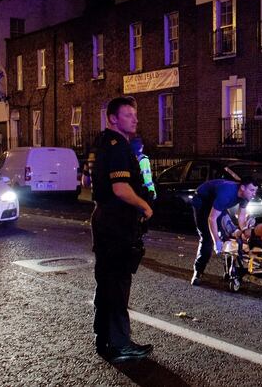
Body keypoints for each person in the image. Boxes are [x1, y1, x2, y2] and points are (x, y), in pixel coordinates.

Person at [89, 96, 154, 363]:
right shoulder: (117, 147)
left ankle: (104, 338)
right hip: (116, 225)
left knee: (106, 282)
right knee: (117, 284)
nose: (135, 119)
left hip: (106, 222)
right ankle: (119, 344)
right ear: (113, 118)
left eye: (135, 115)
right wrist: (145, 208)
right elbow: (120, 189)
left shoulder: (105, 144)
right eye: (128, 115)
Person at [190, 177, 259, 286]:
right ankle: (198, 272)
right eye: (251, 190)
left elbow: (241, 217)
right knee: (207, 238)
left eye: (255, 190)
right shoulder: (227, 194)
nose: (254, 193)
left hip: (215, 200)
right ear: (242, 188)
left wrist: (245, 229)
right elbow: (211, 219)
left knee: (228, 230)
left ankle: (228, 269)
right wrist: (216, 240)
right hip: (202, 201)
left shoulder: (246, 196)